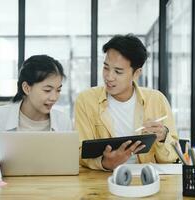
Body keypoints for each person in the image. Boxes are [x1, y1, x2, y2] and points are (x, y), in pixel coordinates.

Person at [74, 34, 178, 170]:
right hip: (102, 180)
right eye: (106, 68)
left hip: (146, 178)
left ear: (136, 73)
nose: (109, 77)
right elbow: (79, 151)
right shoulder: (86, 100)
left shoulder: (157, 100)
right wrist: (105, 163)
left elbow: (173, 157)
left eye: (118, 71)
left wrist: (164, 138)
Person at [0, 55, 72, 153]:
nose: (54, 98)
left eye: (58, 90)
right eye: (47, 90)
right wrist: (1, 158)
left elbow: (68, 159)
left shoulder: (63, 121)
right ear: (26, 88)